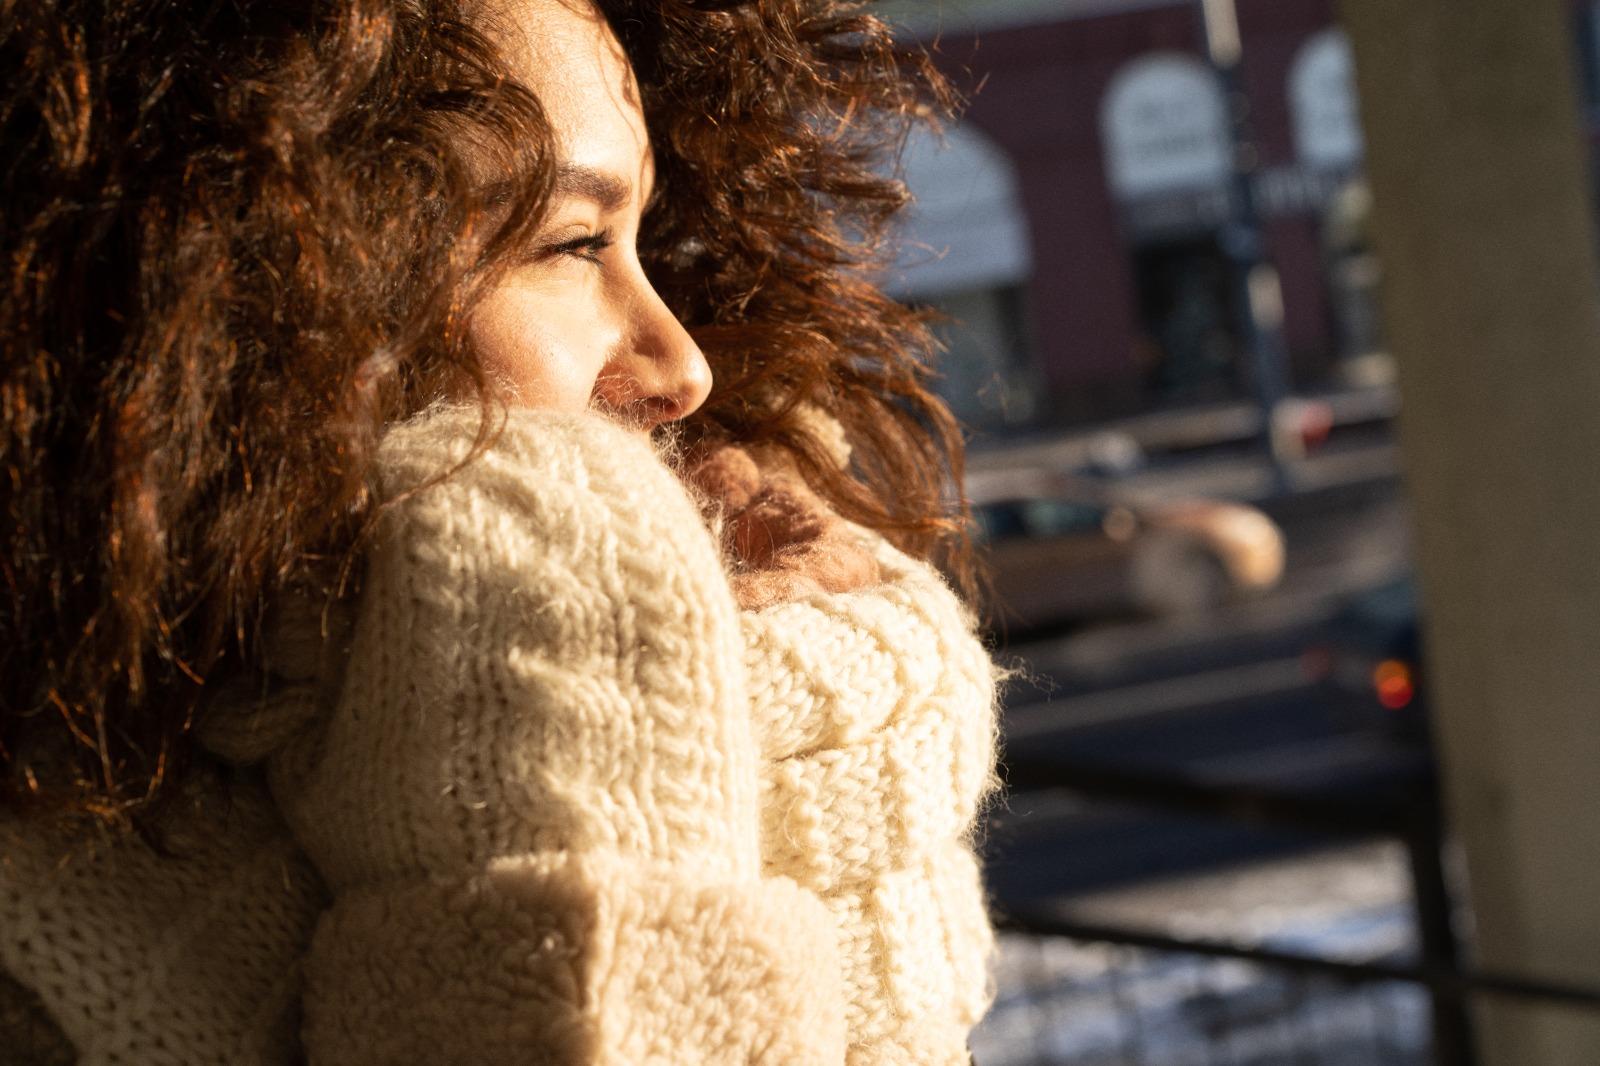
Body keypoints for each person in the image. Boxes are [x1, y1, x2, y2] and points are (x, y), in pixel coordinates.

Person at [0, 0, 1000, 1062]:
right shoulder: (52, 957)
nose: (683, 368)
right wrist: (559, 614)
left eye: (647, 242)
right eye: (575, 242)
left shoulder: (808, 703)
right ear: (255, 279)